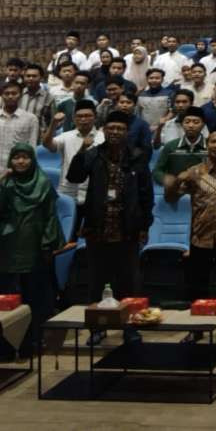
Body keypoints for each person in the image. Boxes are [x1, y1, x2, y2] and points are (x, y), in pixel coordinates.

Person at [66, 110, 153, 346]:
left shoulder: (137, 156)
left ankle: (130, 327)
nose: (115, 132)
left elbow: (147, 195)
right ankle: (98, 327)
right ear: (104, 130)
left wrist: (145, 225)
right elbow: (74, 177)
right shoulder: (94, 155)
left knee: (129, 282)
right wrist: (82, 150)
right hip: (98, 228)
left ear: (127, 132)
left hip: (128, 229)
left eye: (120, 129)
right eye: (111, 128)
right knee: (96, 281)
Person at [167, 129, 216, 343]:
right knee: (197, 286)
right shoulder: (194, 171)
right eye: (212, 141)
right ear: (207, 145)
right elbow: (171, 197)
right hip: (200, 237)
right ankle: (197, 328)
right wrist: (176, 180)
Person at [0, 143, 64, 357]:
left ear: (32, 160)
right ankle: (7, 346)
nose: (20, 161)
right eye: (16, 157)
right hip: (8, 248)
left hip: (35, 248)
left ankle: (31, 344)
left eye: (25, 157)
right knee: (8, 299)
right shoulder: (6, 183)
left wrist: (47, 244)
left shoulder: (43, 183)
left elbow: (50, 218)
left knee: (33, 297)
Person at [42, 99, 102, 238]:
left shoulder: (103, 138)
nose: (84, 119)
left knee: (90, 235)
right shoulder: (66, 136)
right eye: (79, 116)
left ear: (95, 117)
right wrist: (53, 124)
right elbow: (47, 144)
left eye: (88, 116)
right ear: (74, 119)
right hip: (68, 191)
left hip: (92, 193)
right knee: (67, 234)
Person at [153, 106, 208, 186]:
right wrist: (164, 179)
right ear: (182, 124)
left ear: (203, 125)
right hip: (175, 189)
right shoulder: (171, 146)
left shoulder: (210, 147)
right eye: (187, 122)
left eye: (196, 122)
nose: (191, 125)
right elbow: (157, 171)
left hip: (202, 191)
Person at [0, 81, 39, 163]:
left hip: (18, 167)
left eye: (14, 93)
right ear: (1, 95)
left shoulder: (31, 119)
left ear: (20, 95)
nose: (10, 96)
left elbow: (32, 147)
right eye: (6, 94)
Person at [18, 64, 54, 139]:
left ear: (41, 78)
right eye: (28, 76)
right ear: (24, 77)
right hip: (18, 137)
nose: (31, 78)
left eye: (34, 76)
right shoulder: (18, 95)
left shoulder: (49, 98)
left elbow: (52, 121)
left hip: (39, 139)